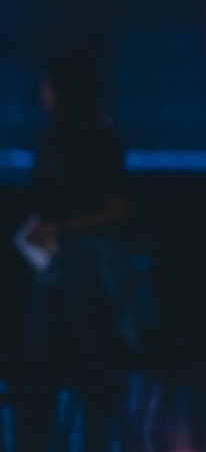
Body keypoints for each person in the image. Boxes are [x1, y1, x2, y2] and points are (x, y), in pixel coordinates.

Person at [15, 51, 131, 452]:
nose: (41, 93)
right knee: (38, 367)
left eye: (47, 84)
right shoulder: (51, 139)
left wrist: (63, 228)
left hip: (83, 264)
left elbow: (119, 207)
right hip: (48, 263)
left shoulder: (98, 138)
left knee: (89, 363)